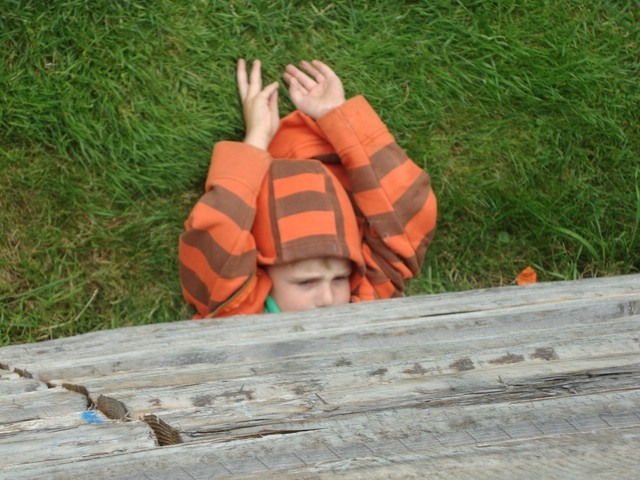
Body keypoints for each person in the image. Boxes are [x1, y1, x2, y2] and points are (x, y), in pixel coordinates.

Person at [179, 58, 437, 318]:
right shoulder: (237, 311)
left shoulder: (366, 298)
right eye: (306, 282)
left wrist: (337, 116)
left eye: (340, 278)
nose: (328, 299)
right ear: (262, 271)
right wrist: (256, 137)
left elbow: (408, 214)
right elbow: (220, 237)